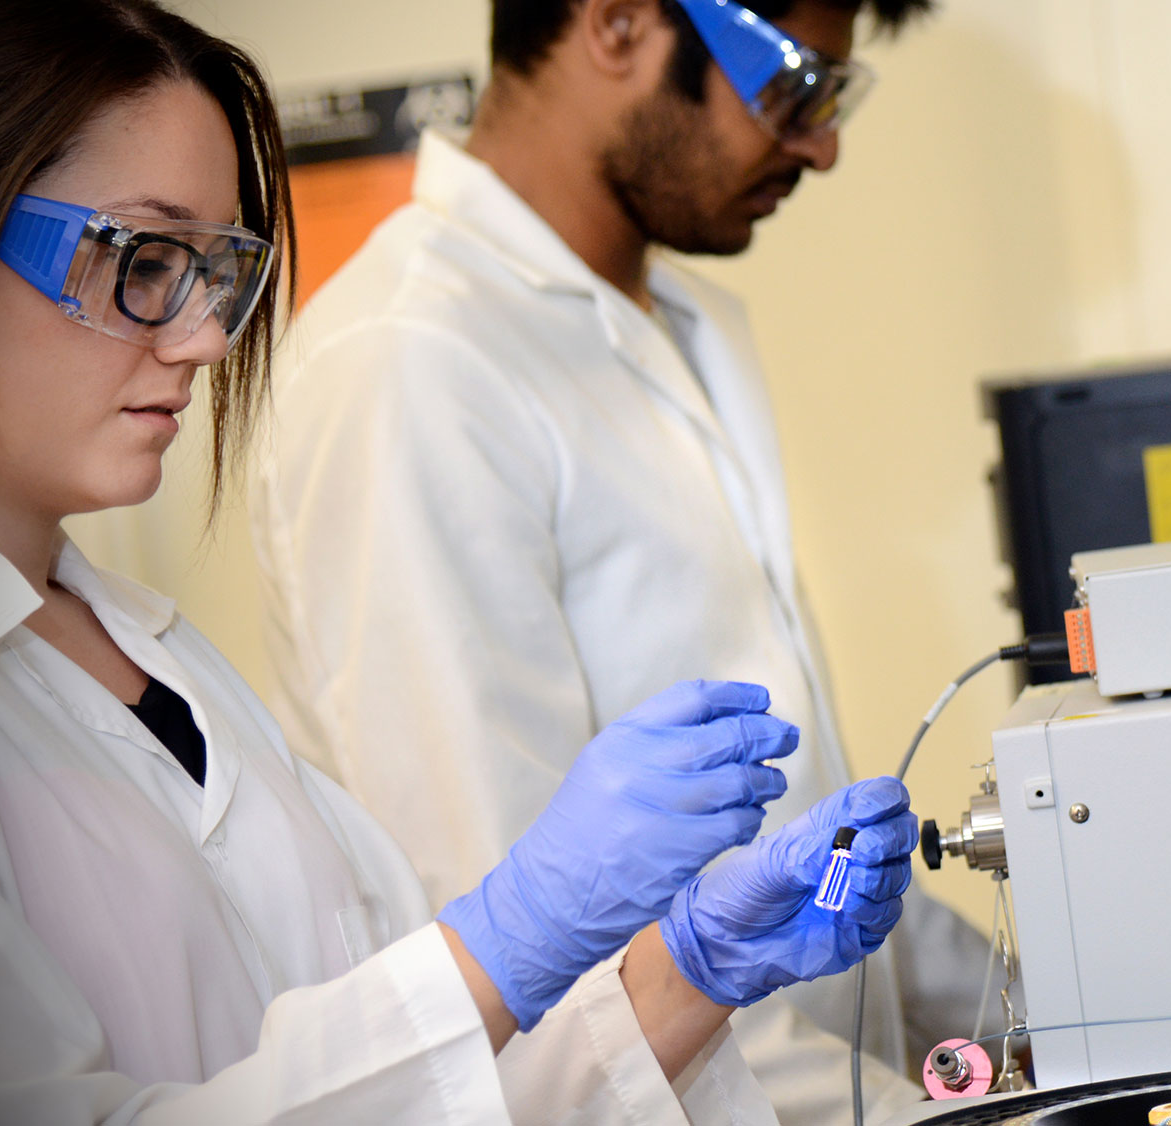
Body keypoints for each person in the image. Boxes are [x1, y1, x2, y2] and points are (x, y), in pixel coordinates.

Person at [0, 1, 916, 1121]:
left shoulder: (167, 661)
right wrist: (516, 936)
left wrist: (685, 976)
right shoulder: (406, 357)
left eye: (218, 270)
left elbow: (436, 1084)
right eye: (142, 258)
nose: (204, 336)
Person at [249, 0, 989, 1119]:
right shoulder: (409, 365)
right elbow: (531, 954)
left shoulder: (680, 322)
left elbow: (807, 835)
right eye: (794, 86)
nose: (821, 145)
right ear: (615, 24)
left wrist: (1043, 1017)